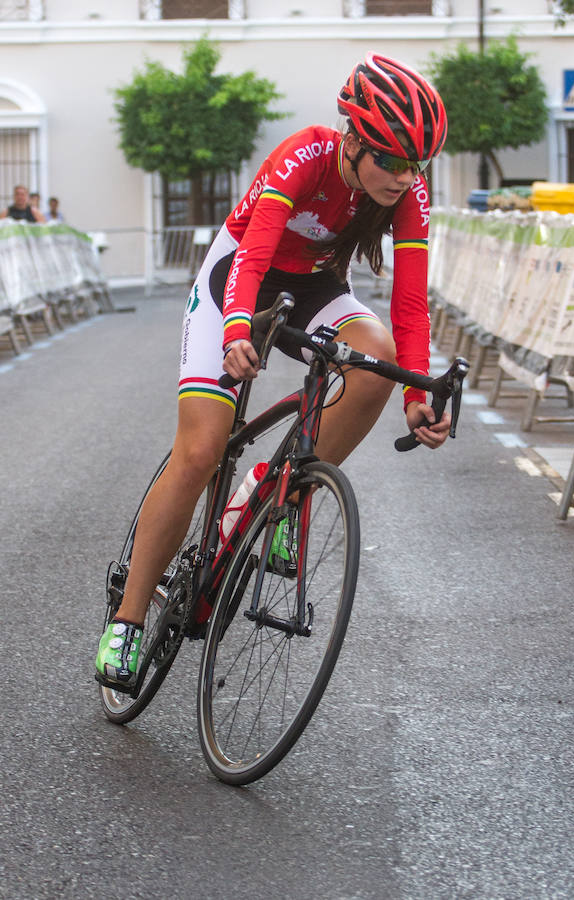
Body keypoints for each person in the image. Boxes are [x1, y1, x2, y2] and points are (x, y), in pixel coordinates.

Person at [95, 52, 450, 690]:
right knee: (201, 448)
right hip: (238, 281)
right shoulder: (306, 154)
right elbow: (255, 254)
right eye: (391, 161)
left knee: (380, 361)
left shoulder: (407, 195)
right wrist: (236, 333)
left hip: (312, 284)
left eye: (416, 164)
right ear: (354, 140)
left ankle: (282, 487)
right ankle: (127, 620)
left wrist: (417, 397)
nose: (403, 177)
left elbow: (411, 301)